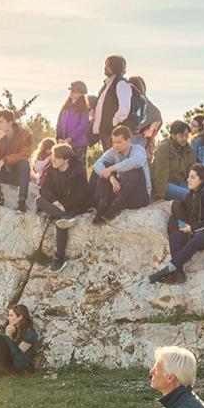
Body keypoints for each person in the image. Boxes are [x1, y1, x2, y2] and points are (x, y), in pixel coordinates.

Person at [150, 165, 204, 284]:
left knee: (197, 239)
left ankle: (169, 268)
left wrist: (193, 229)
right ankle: (179, 274)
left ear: (201, 179)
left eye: (192, 177)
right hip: (200, 230)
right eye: (188, 177)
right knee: (175, 237)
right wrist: (186, 226)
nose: (188, 180)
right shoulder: (193, 195)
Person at [37, 143, 93, 273]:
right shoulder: (51, 170)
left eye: (57, 157)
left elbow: (82, 195)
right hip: (59, 205)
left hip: (75, 206)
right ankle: (64, 216)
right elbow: (44, 190)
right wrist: (55, 201)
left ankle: (59, 258)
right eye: (53, 156)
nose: (53, 159)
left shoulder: (78, 171)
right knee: (39, 201)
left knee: (60, 224)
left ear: (66, 159)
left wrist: (64, 205)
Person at [89, 125, 152, 223]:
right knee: (104, 166)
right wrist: (111, 178)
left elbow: (137, 162)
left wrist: (112, 168)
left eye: (119, 142)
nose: (116, 145)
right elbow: (97, 164)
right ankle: (102, 205)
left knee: (134, 170)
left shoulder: (138, 149)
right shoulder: (114, 151)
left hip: (140, 196)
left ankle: (115, 207)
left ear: (129, 140)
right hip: (124, 195)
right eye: (114, 142)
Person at [89, 56, 135, 153]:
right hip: (104, 132)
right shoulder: (106, 85)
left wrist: (112, 124)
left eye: (107, 65)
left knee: (114, 163)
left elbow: (124, 109)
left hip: (112, 133)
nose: (105, 68)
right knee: (110, 163)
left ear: (115, 67)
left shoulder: (121, 84)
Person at [150, 121, 193, 202]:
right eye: (181, 136)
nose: (184, 138)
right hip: (165, 184)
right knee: (188, 195)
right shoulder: (164, 148)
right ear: (173, 135)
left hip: (181, 183)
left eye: (186, 136)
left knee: (198, 194)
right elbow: (161, 174)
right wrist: (160, 196)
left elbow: (192, 169)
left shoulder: (189, 150)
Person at [56, 81, 92, 150]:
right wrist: (58, 138)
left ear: (81, 93)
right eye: (71, 90)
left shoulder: (84, 109)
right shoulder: (65, 107)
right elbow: (59, 123)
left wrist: (70, 138)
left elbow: (83, 126)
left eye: (74, 91)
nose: (71, 92)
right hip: (63, 144)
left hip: (78, 144)